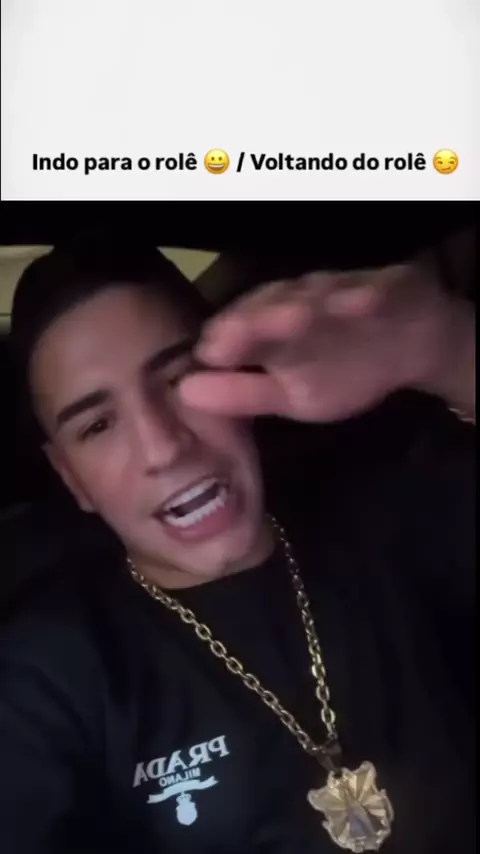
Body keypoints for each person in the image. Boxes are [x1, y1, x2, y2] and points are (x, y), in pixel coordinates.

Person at [0, 232, 475, 854]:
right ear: (70, 477)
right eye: (98, 425)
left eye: (178, 379)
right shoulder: (47, 673)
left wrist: (449, 347)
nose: (164, 447)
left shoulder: (388, 518)